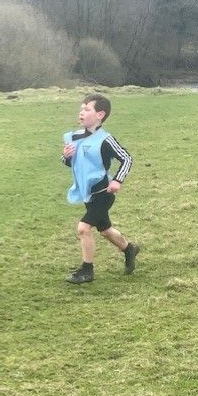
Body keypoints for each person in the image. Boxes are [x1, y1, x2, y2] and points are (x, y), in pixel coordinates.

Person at [62, 93, 138, 284]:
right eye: (81, 108)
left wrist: (117, 180)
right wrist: (67, 157)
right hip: (88, 194)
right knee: (105, 230)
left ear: (100, 115)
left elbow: (127, 159)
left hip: (103, 193)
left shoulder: (106, 140)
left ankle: (87, 271)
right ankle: (129, 249)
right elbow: (73, 163)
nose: (81, 112)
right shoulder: (74, 137)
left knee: (83, 228)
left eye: (87, 109)